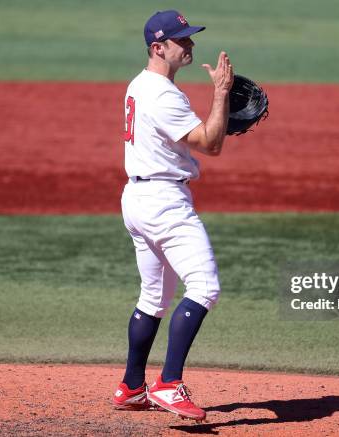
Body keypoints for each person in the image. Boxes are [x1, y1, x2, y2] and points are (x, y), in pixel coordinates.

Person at [112, 10, 233, 422]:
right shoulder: (164, 94)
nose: (191, 45)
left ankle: (131, 386)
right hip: (164, 202)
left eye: (190, 38)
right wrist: (220, 94)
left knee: (153, 298)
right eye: (182, 40)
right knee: (204, 287)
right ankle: (168, 383)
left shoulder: (138, 85)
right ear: (157, 47)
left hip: (137, 198)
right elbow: (210, 144)